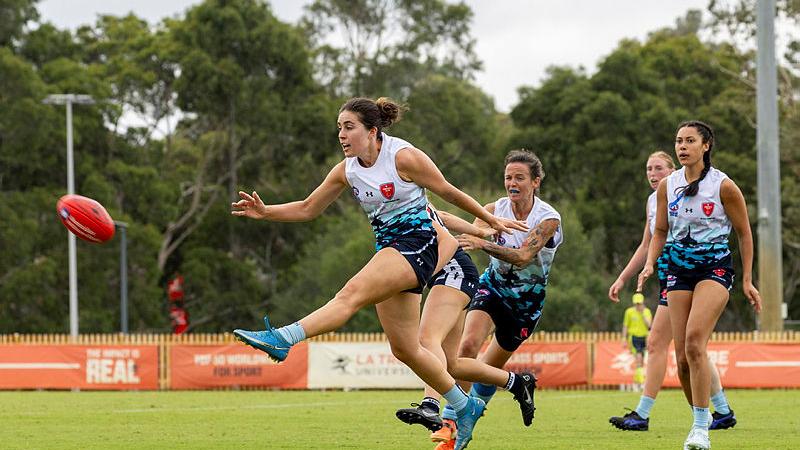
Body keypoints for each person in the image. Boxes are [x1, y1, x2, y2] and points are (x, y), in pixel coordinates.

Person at [230, 97, 526, 446]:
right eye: (339, 127)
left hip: (420, 242)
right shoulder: (346, 169)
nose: (341, 134)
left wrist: (489, 220)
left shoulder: (403, 157)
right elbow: (309, 208)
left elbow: (447, 191)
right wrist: (267, 212)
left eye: (349, 127)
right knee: (405, 349)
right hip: (389, 248)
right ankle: (464, 405)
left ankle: (283, 338)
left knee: (350, 294)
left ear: (372, 131)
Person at [637, 121, 762, 450]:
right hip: (678, 271)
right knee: (680, 359)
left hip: (715, 270)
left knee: (694, 343)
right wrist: (651, 261)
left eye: (690, 141)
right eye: (678, 141)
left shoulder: (724, 187)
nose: (682, 146)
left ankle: (700, 430)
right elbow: (660, 230)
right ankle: (701, 418)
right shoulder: (668, 185)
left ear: (705, 146)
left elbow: (744, 233)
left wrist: (748, 279)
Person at [433, 149, 562, 450]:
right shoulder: (493, 208)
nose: (512, 183)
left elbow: (523, 256)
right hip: (491, 287)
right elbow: (469, 236)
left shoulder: (548, 219)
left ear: (536, 182)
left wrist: (482, 243)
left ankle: (470, 421)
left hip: (525, 303)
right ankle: (450, 424)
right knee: (465, 349)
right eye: (508, 177)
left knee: (487, 376)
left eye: (519, 177)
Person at [609, 151, 738, 432]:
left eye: (658, 168)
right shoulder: (652, 201)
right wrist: (623, 277)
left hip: (694, 273)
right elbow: (647, 244)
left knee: (668, 344)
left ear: (672, 170)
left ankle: (644, 414)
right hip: (672, 277)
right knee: (692, 348)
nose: (653, 174)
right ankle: (723, 410)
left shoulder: (696, 190)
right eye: (648, 169)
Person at [395, 206, 536, 450]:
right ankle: (516, 382)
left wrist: (486, 229)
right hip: (454, 273)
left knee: (428, 340)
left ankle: (431, 406)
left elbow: (444, 214)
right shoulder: (397, 203)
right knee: (451, 364)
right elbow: (445, 217)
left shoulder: (403, 198)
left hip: (453, 271)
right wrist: (484, 228)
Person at [622, 292, 652, 387]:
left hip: (644, 337)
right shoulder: (629, 312)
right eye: (636, 303)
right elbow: (625, 326)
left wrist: (643, 314)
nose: (638, 305)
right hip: (634, 337)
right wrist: (624, 338)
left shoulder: (647, 311)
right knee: (638, 358)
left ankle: (637, 381)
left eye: (639, 303)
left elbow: (649, 325)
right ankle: (642, 382)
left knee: (642, 361)